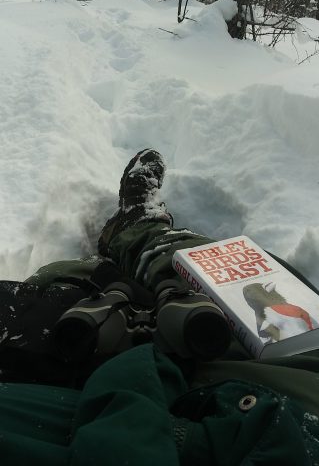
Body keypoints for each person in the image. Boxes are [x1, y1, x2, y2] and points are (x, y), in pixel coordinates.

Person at [0, 148, 317, 465]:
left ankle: (123, 247)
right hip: (281, 420)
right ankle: (143, 233)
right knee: (230, 273)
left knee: (63, 285)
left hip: (95, 404)